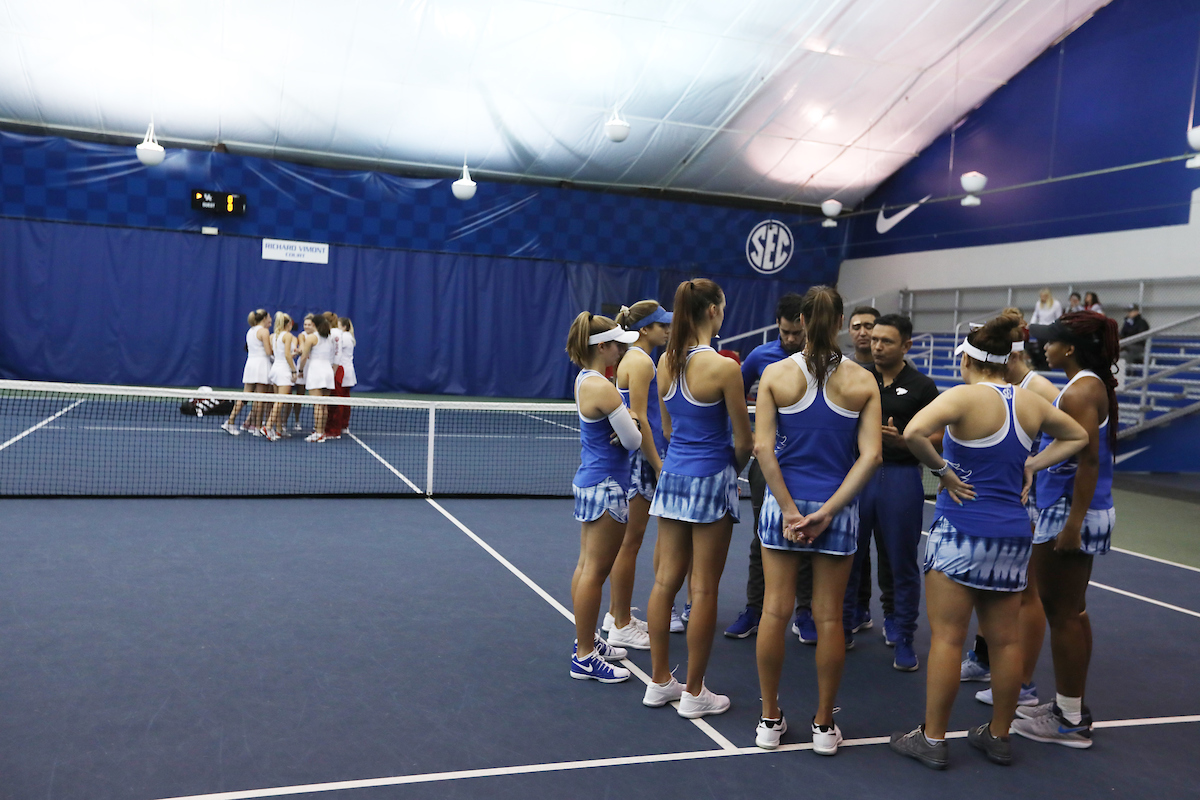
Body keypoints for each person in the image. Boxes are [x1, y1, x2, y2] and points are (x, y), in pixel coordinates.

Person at [889, 313, 1087, 770]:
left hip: (960, 532)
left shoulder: (961, 397)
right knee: (1005, 642)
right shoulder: (1031, 401)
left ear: (968, 360)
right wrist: (1032, 464)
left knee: (947, 639)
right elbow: (1078, 434)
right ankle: (999, 735)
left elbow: (914, 433)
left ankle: (933, 739)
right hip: (1013, 536)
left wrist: (942, 472)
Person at [752, 286, 882, 755]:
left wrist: (790, 509)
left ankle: (769, 719)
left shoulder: (774, 374)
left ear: (803, 321)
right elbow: (871, 456)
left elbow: (762, 448)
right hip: (838, 511)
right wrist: (828, 511)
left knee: (774, 611)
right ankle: (824, 726)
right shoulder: (864, 381)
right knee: (829, 617)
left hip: (781, 509)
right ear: (842, 322)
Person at [643, 278, 752, 719]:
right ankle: (694, 692)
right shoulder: (725, 368)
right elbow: (744, 442)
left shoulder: (664, 364)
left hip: (673, 479)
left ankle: (659, 682)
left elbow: (668, 431)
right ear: (712, 311)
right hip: (711, 479)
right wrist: (731, 471)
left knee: (664, 581)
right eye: (722, 307)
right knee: (703, 587)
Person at [1010, 311, 1120, 749]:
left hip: (1070, 512)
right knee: (1073, 611)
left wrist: (1072, 525)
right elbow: (1070, 449)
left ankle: (1069, 720)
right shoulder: (1085, 385)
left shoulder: (1080, 391)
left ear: (1069, 348)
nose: (1045, 348)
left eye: (1051, 341)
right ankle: (1067, 707)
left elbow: (1088, 460)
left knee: (1062, 614)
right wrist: (1034, 464)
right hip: (1072, 507)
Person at [962, 312, 1060, 711]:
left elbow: (1078, 439)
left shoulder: (1040, 389)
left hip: (1028, 501)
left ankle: (1022, 684)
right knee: (990, 586)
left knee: (1026, 593)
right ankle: (985, 658)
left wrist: (1034, 466)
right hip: (998, 499)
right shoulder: (995, 389)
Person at [841, 313, 939, 670]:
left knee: (901, 560)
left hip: (900, 478)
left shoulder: (922, 386)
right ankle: (844, 622)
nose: (877, 346)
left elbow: (938, 437)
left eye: (886, 341)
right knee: (847, 555)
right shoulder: (856, 377)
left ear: (906, 345)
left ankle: (903, 633)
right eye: (875, 339)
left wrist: (907, 440)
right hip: (858, 477)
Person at [724, 294, 810, 642]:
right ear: (777, 324)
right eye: (785, 332)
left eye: (797, 333)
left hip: (806, 465)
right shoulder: (760, 357)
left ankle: (805, 612)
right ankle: (754, 609)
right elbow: (733, 398)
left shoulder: (820, 360)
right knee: (763, 535)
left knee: (808, 534)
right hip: (766, 463)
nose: (791, 339)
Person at [565, 312, 643, 684]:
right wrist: (633, 418)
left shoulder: (584, 379)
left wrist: (626, 418)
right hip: (607, 487)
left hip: (591, 482)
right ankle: (584, 655)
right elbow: (633, 440)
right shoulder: (604, 388)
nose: (621, 351)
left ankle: (587, 639)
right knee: (595, 572)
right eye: (617, 345)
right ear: (602, 347)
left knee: (586, 567)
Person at [602, 300, 672, 651]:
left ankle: (615, 614)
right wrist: (658, 465)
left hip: (639, 459)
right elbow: (640, 419)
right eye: (662, 326)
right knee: (630, 542)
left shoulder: (635, 359)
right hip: (642, 462)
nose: (668, 330)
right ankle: (620, 625)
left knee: (628, 542)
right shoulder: (642, 362)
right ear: (645, 329)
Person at [842, 306, 891, 634]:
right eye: (857, 326)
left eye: (869, 326)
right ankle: (853, 611)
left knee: (887, 550)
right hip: (846, 470)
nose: (863, 332)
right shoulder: (841, 369)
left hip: (887, 474)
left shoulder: (897, 373)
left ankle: (888, 616)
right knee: (852, 546)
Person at [223, 309, 273, 436]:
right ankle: (257, 428)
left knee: (245, 396)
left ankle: (230, 421)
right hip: (261, 365)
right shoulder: (264, 331)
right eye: (269, 317)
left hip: (251, 365)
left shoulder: (250, 331)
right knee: (260, 398)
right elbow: (268, 351)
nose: (270, 319)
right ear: (264, 318)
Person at [298, 313, 336, 442]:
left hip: (316, 372)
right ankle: (321, 432)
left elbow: (304, 357)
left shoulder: (311, 338)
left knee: (318, 405)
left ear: (314, 324)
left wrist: (300, 370)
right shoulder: (330, 337)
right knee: (323, 405)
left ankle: (319, 433)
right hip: (328, 371)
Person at [265, 312, 298, 440]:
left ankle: (278, 429)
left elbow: (279, 353)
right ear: (288, 324)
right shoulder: (288, 335)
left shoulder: (273, 336)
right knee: (280, 402)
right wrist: (294, 371)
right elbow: (287, 355)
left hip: (275, 370)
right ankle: (268, 427)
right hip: (284, 371)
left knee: (277, 401)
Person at [330, 317, 357, 435]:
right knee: (345, 400)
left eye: (338, 325)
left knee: (339, 400)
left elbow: (335, 351)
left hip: (342, 372)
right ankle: (344, 426)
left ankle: (335, 429)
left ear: (344, 327)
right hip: (348, 372)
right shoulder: (349, 337)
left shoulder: (344, 337)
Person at [1028, 289, 1062, 371]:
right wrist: (1031, 325)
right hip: (1041, 328)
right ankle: (1042, 366)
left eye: (1044, 296)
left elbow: (1058, 317)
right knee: (1040, 348)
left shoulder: (1056, 304)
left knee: (1048, 348)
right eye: (1041, 296)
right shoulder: (1039, 304)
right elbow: (1035, 315)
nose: (1042, 298)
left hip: (1050, 328)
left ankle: (1048, 365)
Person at [1119, 304, 1150, 369]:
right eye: (1128, 311)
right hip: (1127, 345)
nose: (1128, 313)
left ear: (1137, 312)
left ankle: (1128, 371)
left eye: (1130, 311)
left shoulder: (1142, 322)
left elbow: (1141, 338)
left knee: (1123, 355)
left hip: (1138, 346)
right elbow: (1122, 334)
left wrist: (1127, 343)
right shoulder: (1127, 322)